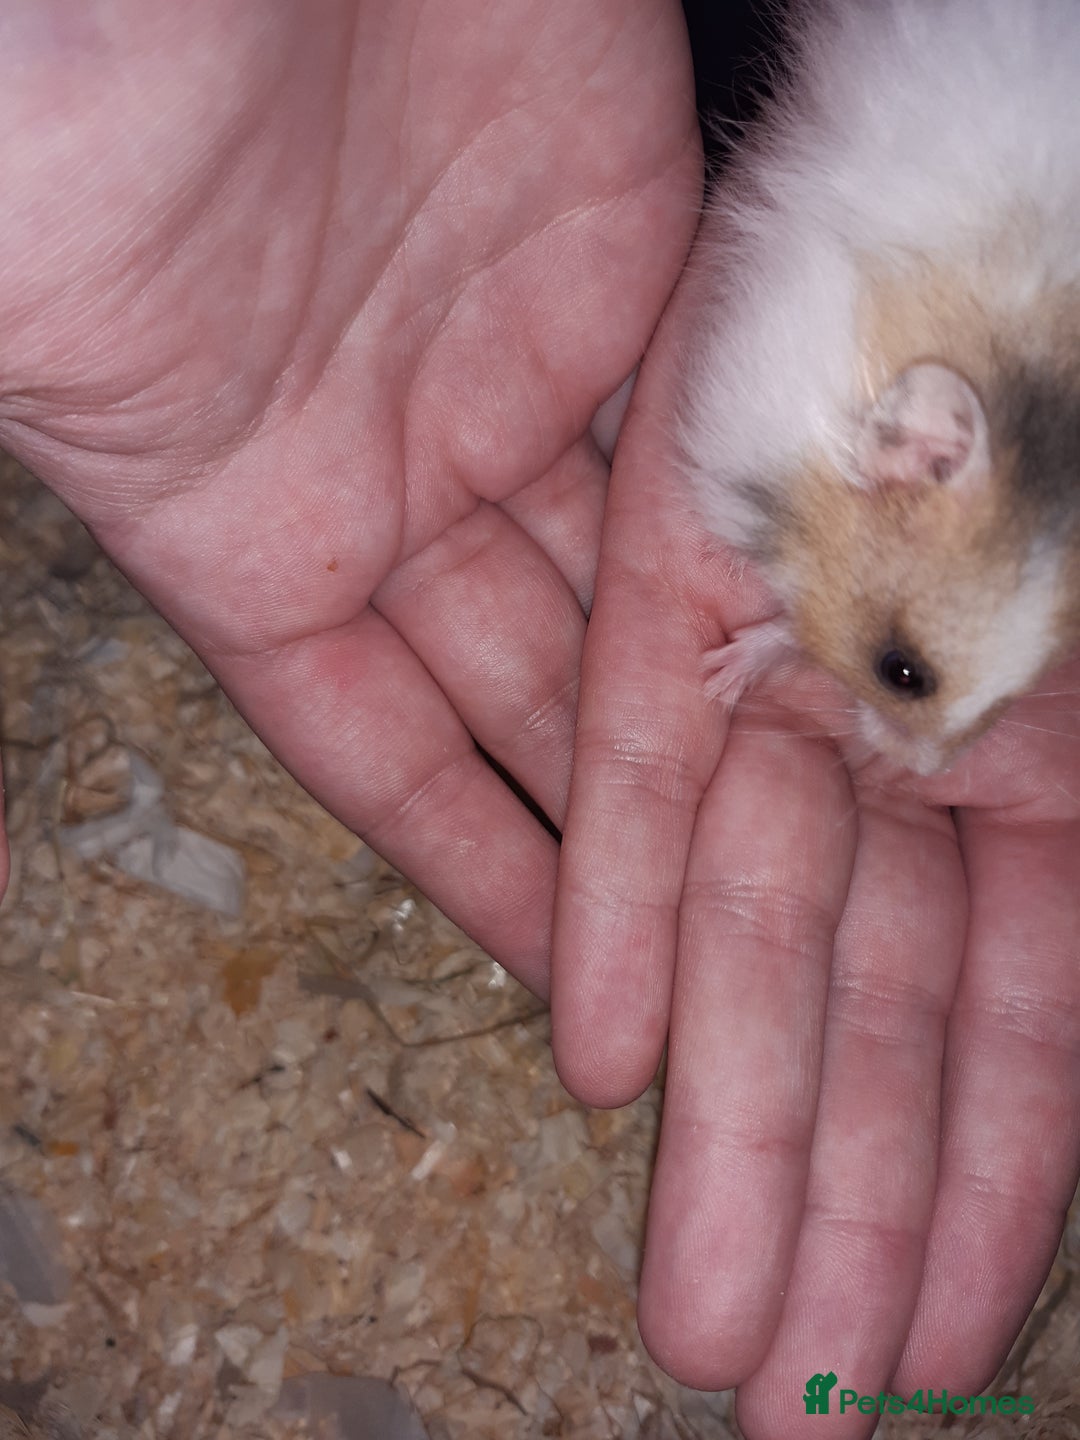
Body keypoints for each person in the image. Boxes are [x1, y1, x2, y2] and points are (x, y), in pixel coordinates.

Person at [0, 3, 1075, 1435]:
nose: (920, 751)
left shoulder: (887, 413)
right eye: (900, 680)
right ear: (914, 446)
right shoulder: (832, 402)